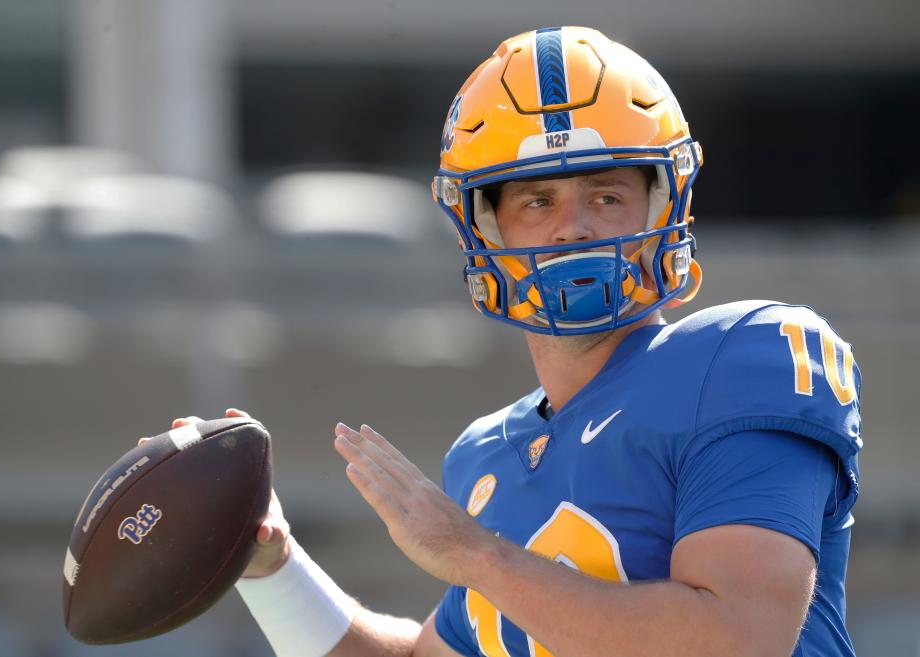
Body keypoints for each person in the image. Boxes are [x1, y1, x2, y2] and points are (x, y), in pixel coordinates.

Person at [165, 26, 862, 657]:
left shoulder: (745, 356)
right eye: (538, 202)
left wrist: (478, 555)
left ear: (664, 206)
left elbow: (735, 638)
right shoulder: (486, 455)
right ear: (485, 230)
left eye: (608, 194)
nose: (573, 227)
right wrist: (271, 566)